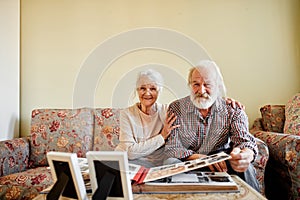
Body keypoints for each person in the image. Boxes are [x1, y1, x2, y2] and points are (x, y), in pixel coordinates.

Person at [116, 68, 245, 168]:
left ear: (159, 91)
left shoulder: (168, 111)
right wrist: (162, 136)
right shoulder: (127, 114)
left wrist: (222, 101)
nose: (147, 93)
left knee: (170, 163)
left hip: (157, 165)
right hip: (132, 162)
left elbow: (199, 101)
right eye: (142, 88)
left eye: (153, 88)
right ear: (137, 91)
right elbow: (130, 153)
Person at [163, 60, 259, 191]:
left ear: (218, 86)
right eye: (196, 84)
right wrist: (204, 159)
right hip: (190, 160)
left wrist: (245, 154)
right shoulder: (176, 108)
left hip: (222, 161)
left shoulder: (233, 109)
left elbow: (244, 141)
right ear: (190, 85)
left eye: (207, 84)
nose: (201, 90)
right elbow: (173, 147)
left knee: (246, 167)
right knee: (170, 163)